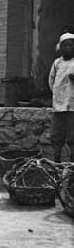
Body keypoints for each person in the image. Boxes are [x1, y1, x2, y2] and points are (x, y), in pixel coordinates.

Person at [49, 32, 74, 163]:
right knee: (57, 135)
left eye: (71, 45)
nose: (67, 48)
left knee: (72, 136)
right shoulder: (57, 63)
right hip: (58, 105)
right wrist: (56, 94)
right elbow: (51, 80)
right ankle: (57, 159)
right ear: (60, 47)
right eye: (65, 45)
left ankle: (72, 163)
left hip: (72, 106)